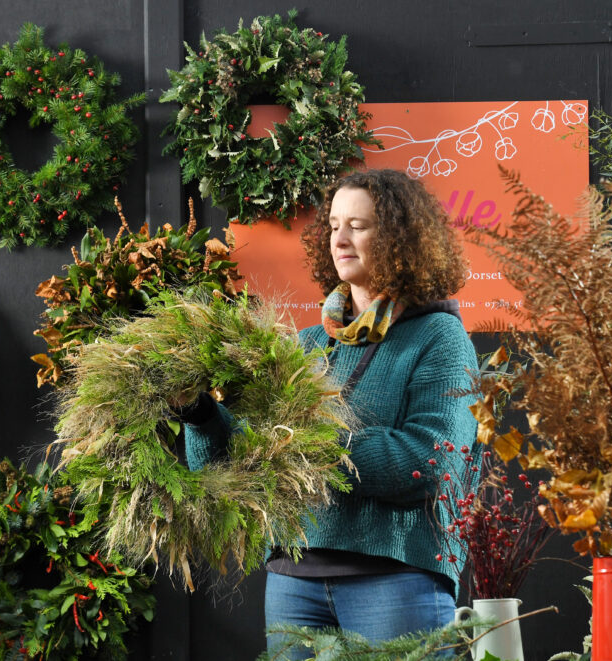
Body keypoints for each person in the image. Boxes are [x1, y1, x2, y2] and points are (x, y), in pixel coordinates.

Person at [179, 169, 478, 654]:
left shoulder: (439, 339)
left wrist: (311, 442)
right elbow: (235, 466)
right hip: (294, 581)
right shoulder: (309, 344)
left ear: (401, 238)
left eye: (358, 226)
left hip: (395, 579)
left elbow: (432, 460)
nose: (340, 238)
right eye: (335, 224)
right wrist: (199, 414)